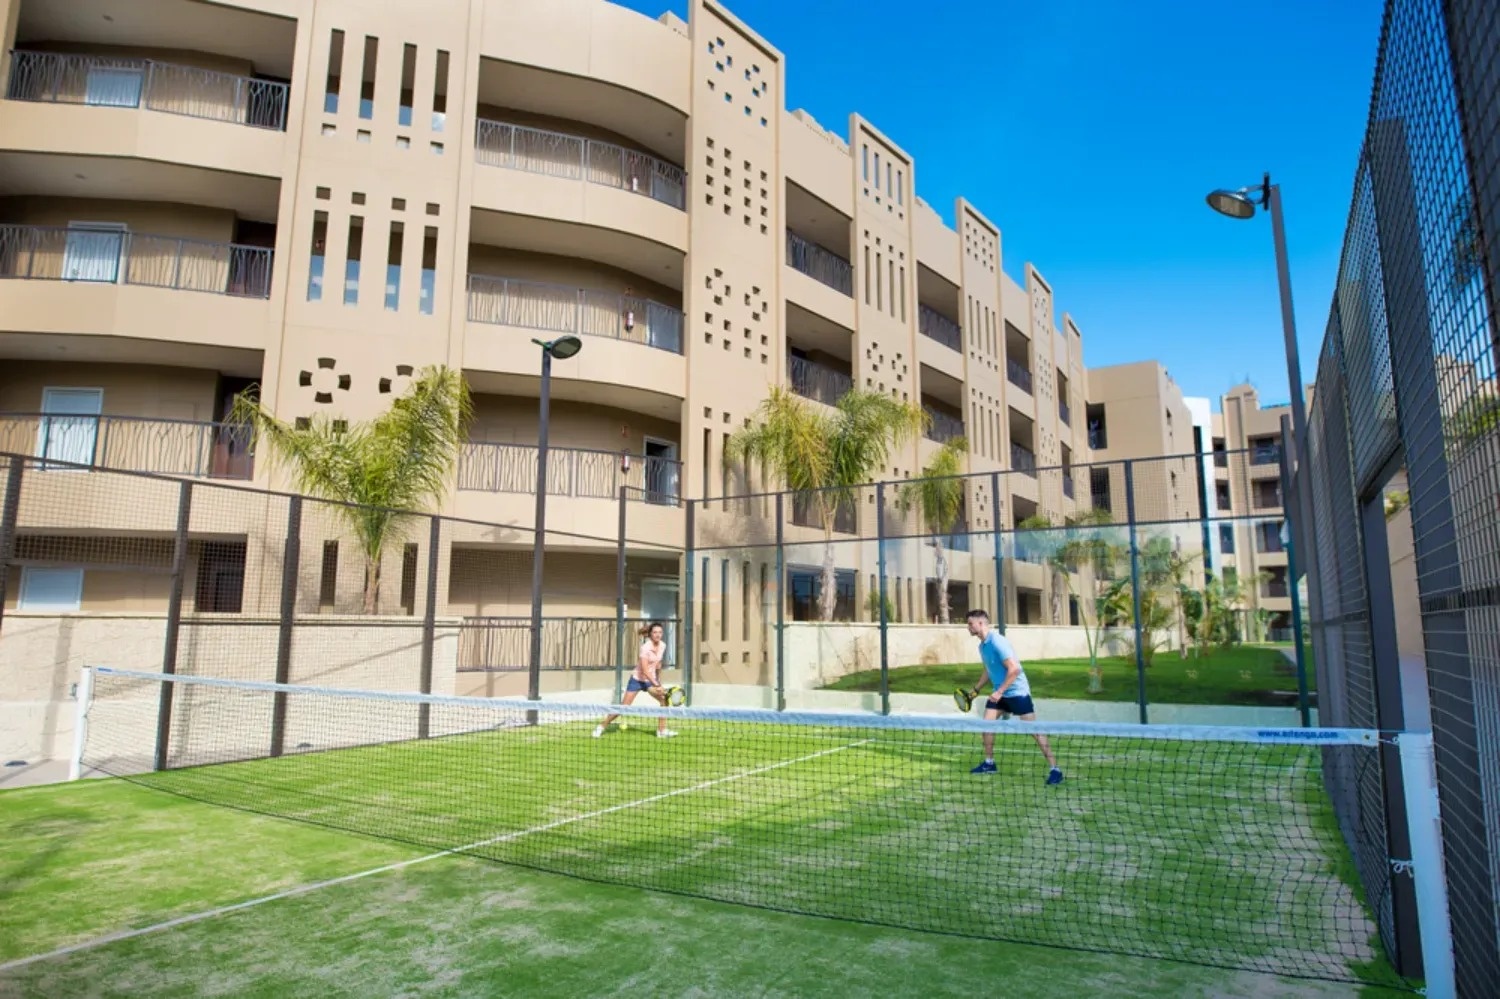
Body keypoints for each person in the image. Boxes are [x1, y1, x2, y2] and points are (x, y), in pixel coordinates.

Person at [963, 609, 1062, 783]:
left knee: (1034, 730)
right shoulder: (982, 646)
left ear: (981, 623)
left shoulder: (997, 642)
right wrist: (976, 690)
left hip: (1017, 692)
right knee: (986, 725)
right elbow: (988, 669)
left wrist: (1000, 691)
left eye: (970, 624)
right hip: (999, 694)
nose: (968, 627)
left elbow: (1014, 669)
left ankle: (1055, 770)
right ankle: (989, 763)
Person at [594, 621, 677, 739]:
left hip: (650, 681)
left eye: (660, 632)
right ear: (650, 634)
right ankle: (601, 726)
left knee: (664, 700)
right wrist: (656, 684)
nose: (658, 634)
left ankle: (661, 731)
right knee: (623, 708)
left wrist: (658, 681)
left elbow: (658, 665)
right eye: (655, 632)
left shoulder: (662, 645)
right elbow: (645, 670)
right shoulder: (645, 648)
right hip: (637, 679)